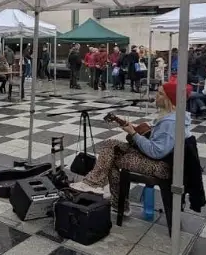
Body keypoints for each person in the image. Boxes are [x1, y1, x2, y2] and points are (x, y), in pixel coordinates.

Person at [70, 81, 192, 214]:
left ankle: (99, 189)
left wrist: (133, 133)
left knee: (111, 157)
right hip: (160, 160)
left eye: (160, 93)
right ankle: (109, 197)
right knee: (110, 146)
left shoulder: (170, 122)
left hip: (162, 166)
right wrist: (133, 129)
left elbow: (156, 152)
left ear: (170, 99)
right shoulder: (172, 116)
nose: (156, 95)